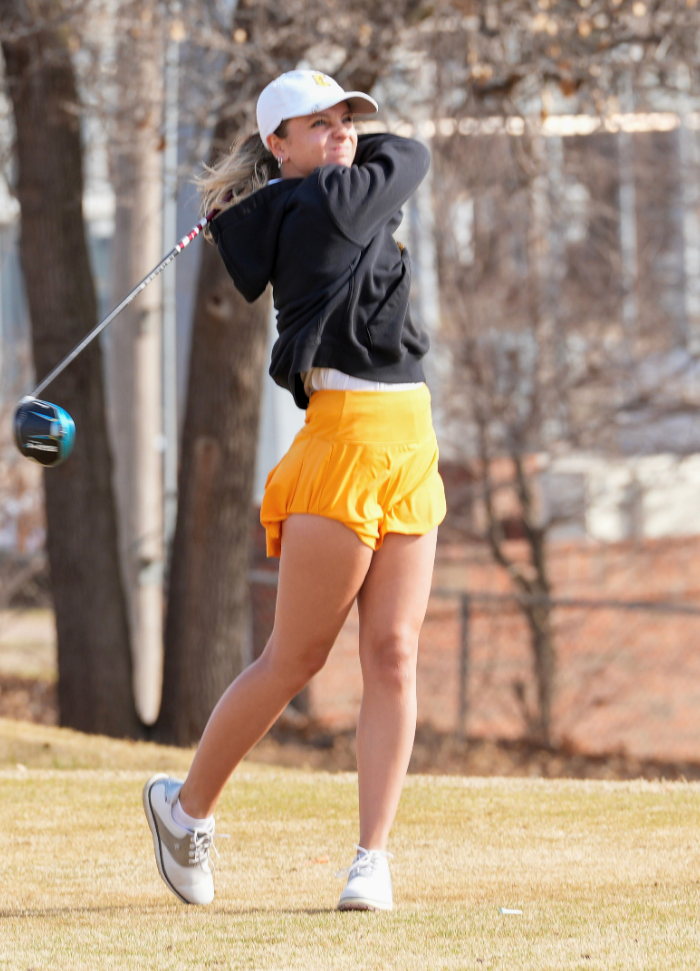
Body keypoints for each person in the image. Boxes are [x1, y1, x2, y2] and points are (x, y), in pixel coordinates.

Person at [142, 69, 445, 913]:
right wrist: (300, 168)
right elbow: (409, 154)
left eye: (346, 119)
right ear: (278, 145)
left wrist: (310, 147)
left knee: (393, 653)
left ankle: (370, 860)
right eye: (318, 125)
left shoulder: (307, 193)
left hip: (409, 439)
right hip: (343, 442)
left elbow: (387, 154)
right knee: (296, 658)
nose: (344, 133)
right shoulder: (319, 207)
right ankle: (184, 806)